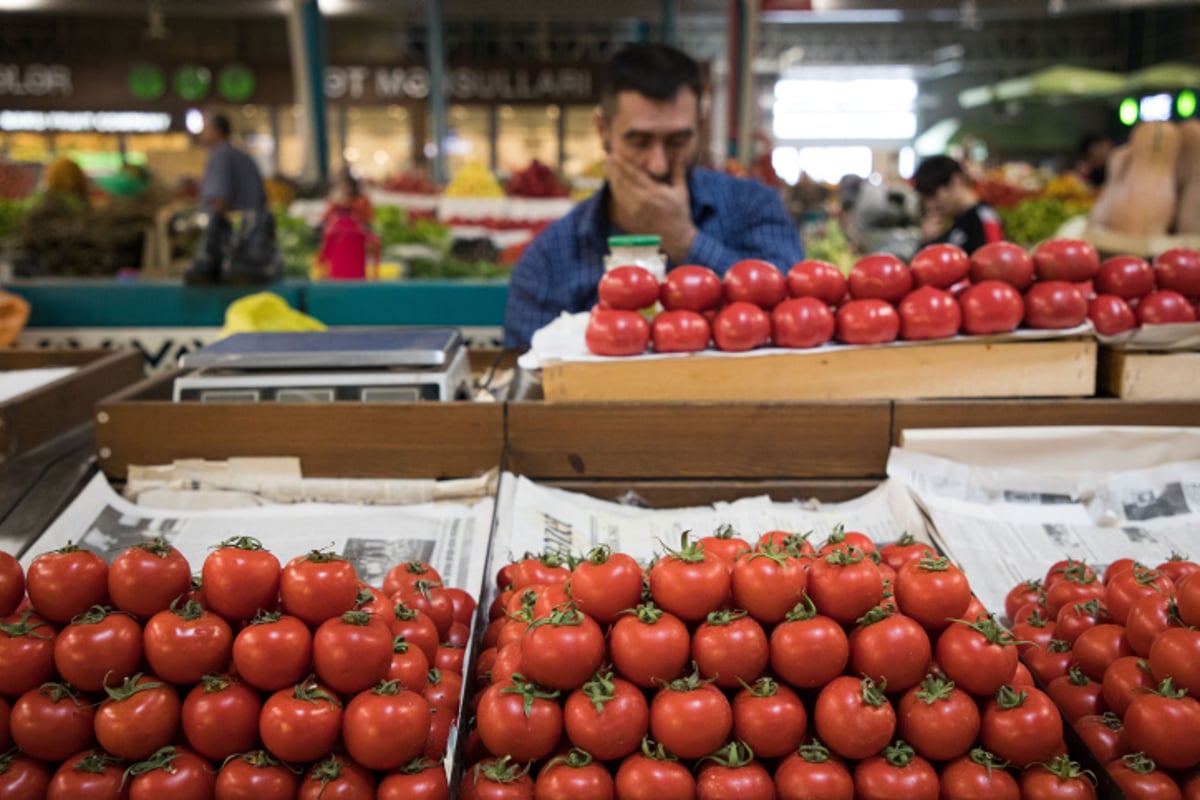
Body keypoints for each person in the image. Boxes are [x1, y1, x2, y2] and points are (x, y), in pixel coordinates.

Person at [503, 43, 804, 349]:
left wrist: (683, 240)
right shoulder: (548, 260)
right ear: (603, 131)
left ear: (699, 129)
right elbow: (529, 382)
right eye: (639, 141)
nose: (658, 163)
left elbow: (796, 311)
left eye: (676, 141)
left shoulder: (753, 205)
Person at [185, 112, 280, 285]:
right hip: (251, 246)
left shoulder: (220, 155)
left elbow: (220, 199)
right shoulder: (242, 156)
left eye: (205, 129)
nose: (202, 135)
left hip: (236, 242)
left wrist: (213, 239)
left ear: (216, 131)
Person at [913, 155, 1003, 255]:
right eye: (925, 200)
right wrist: (927, 242)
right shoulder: (952, 221)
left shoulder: (984, 218)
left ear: (955, 181)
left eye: (933, 196)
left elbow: (994, 264)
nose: (930, 206)